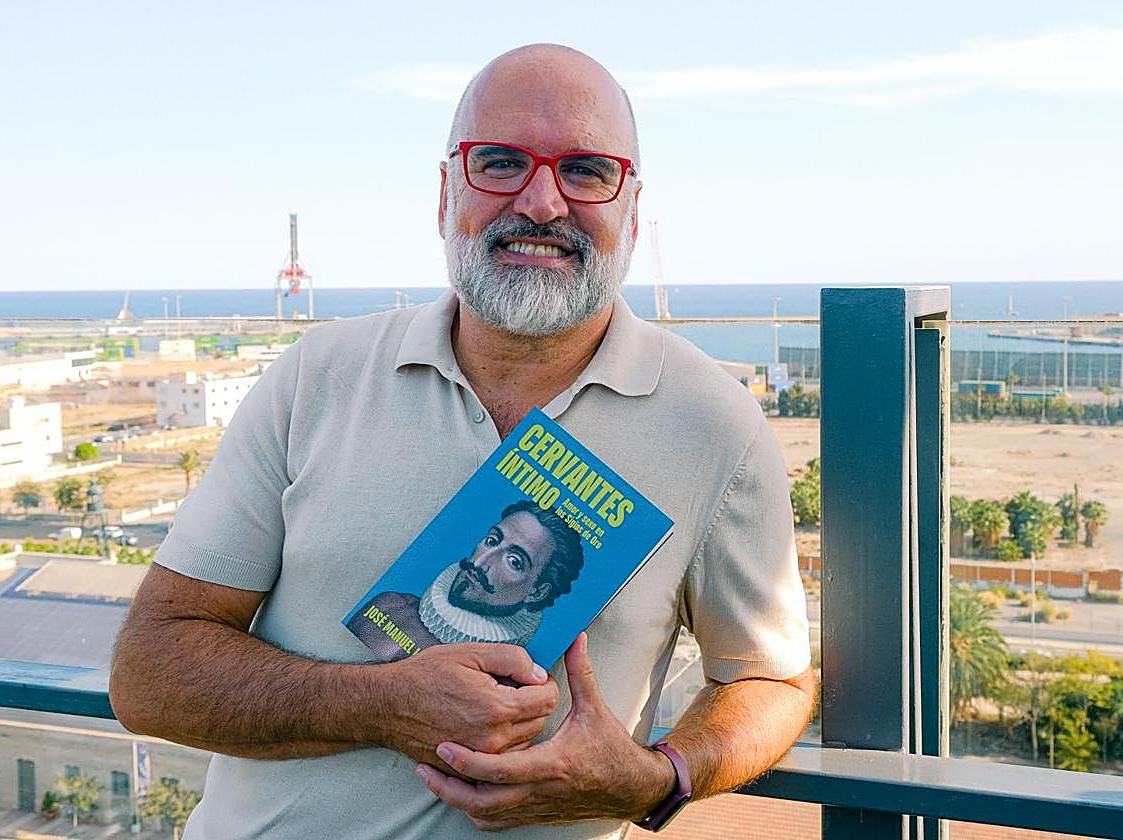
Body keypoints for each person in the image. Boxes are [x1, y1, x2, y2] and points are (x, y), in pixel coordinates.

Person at [110, 43, 815, 839]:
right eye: (502, 161)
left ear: (631, 208)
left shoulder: (715, 423)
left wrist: (653, 778)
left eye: (586, 171)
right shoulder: (318, 376)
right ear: (447, 192)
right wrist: (381, 705)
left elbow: (770, 682)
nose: (543, 201)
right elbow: (149, 673)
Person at [346, 500, 586, 660]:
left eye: (514, 561)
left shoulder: (508, 686)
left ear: (537, 592)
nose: (481, 562)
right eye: (492, 541)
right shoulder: (389, 608)